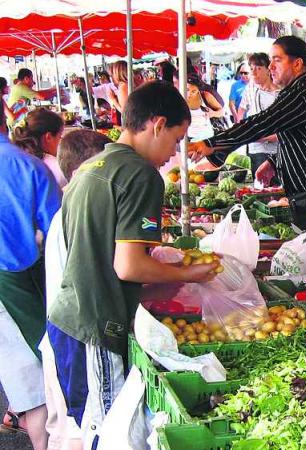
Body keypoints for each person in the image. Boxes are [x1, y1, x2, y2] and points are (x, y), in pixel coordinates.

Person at [47, 81, 216, 449]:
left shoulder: (93, 165)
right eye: (176, 138)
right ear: (156, 124)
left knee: (92, 424)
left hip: (68, 320)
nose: (175, 153)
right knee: (113, 432)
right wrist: (189, 273)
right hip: (96, 324)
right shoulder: (141, 175)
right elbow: (128, 266)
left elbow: (100, 256)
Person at [188, 36, 306, 232]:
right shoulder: (299, 91)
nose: (271, 66)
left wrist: (212, 144)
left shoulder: (302, 95)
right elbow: (303, 140)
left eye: (277, 60)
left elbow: (261, 123)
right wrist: (275, 162)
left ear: (298, 64)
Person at [42, 129, 112, 450]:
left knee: (72, 424)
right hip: (73, 335)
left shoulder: (71, 209)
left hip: (63, 329)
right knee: (82, 426)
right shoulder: (77, 213)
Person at [0, 104, 60, 450]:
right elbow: (58, 239)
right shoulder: (28, 168)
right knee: (39, 389)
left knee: (20, 383)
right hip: (13, 287)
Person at [237, 52, 282, 177]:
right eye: (251, 69)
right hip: (255, 149)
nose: (254, 72)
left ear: (268, 70)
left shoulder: (280, 93)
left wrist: (266, 137)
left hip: (276, 149)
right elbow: (241, 109)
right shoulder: (250, 88)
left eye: (258, 68)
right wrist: (241, 128)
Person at [12, 108, 67, 188]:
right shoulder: (56, 168)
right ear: (48, 137)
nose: (61, 141)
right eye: (60, 136)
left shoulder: (15, 157)